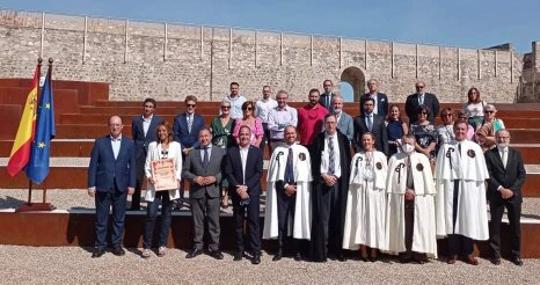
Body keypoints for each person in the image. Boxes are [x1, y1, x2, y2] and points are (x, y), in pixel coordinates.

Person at [434, 120, 490, 265]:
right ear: (453, 130)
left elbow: (480, 173)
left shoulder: (475, 148)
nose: (460, 131)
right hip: (451, 185)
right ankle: (452, 253)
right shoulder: (445, 147)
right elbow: (440, 171)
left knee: (467, 217)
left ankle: (468, 252)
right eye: (457, 129)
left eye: (463, 129)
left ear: (467, 131)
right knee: (451, 218)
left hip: (469, 187)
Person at [87, 115, 136, 258]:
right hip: (103, 185)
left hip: (121, 186)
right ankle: (100, 245)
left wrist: (132, 184)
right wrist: (91, 184)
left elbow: (132, 165)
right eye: (112, 125)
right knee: (101, 218)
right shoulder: (100, 142)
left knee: (118, 218)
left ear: (122, 127)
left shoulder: (129, 143)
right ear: (109, 126)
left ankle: (116, 245)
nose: (115, 127)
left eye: (117, 125)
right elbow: (93, 165)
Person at [385, 134, 437, 263]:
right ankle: (406, 252)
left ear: (415, 145)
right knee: (405, 225)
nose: (407, 145)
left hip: (420, 197)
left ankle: (419, 253)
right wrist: (404, 190)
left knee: (420, 224)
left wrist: (415, 190)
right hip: (401, 197)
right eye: (404, 142)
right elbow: (391, 180)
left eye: (409, 143)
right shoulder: (394, 158)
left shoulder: (422, 159)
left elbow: (427, 181)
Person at [263, 126, 312, 262]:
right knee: (281, 220)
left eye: (292, 133)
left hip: (298, 191)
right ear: (284, 135)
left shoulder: (303, 151)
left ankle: (296, 250)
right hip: (281, 190)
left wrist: (295, 187)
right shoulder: (278, 151)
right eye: (287, 133)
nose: (290, 135)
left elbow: (306, 173)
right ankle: (280, 249)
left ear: (296, 135)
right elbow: (274, 172)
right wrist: (285, 186)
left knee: (297, 219)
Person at [310, 114, 351, 262]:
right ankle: (322, 251)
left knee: (338, 217)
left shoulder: (343, 140)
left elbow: (347, 162)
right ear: (324, 124)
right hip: (322, 183)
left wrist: (337, 177)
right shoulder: (318, 139)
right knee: (323, 218)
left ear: (336, 124)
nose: (330, 125)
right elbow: (313, 162)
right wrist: (323, 176)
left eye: (333, 122)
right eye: (328, 123)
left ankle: (338, 250)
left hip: (339, 183)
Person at [182, 128, 226, 260]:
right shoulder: (192, 153)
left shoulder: (221, 152)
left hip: (213, 191)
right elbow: (185, 171)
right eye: (201, 136)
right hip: (197, 191)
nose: (204, 138)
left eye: (206, 136)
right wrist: (195, 178)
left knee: (214, 221)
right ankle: (198, 246)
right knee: (197, 221)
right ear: (198, 138)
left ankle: (214, 247)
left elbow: (226, 170)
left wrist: (216, 178)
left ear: (211, 136)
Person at [342, 133, 388, 261]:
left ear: (373, 141)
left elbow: (385, 174)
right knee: (361, 219)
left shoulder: (381, 156)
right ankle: (363, 250)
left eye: (368, 140)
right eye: (364, 140)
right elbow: (353, 175)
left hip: (375, 192)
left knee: (374, 219)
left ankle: (374, 249)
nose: (366, 142)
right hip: (361, 191)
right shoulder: (357, 156)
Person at [485, 129, 526, 266]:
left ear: (509, 138)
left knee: (515, 225)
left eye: (505, 137)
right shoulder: (489, 154)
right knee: (495, 225)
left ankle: (516, 255)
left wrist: (512, 190)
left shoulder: (517, 154)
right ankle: (495, 254)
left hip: (514, 196)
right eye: (499, 137)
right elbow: (488, 175)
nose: (502, 140)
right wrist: (501, 189)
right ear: (495, 138)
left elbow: (522, 175)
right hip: (496, 194)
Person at [141, 121, 182, 258]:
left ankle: (162, 245)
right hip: (155, 186)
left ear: (169, 131)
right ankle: (147, 246)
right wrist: (149, 177)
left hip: (169, 185)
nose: (161, 133)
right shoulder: (153, 146)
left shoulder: (176, 146)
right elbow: (147, 165)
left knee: (166, 215)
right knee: (151, 215)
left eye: (164, 131)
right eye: (159, 131)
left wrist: (177, 179)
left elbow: (178, 166)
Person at [224, 126, 264, 264]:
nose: (244, 137)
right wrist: (239, 188)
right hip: (237, 192)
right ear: (238, 136)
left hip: (252, 191)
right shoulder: (231, 152)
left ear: (251, 136)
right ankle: (239, 250)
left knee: (254, 222)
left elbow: (259, 172)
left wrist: (246, 187)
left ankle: (256, 251)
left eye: (247, 134)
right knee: (238, 222)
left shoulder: (257, 152)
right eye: (242, 134)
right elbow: (228, 172)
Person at [130, 98, 163, 211]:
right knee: (137, 179)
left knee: (154, 178)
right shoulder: (136, 120)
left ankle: (154, 204)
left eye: (150, 106)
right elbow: (134, 136)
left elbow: (160, 136)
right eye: (146, 106)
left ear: (154, 109)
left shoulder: (158, 121)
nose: (147, 108)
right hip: (139, 153)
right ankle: (135, 205)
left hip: (153, 152)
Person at [173, 96, 205, 204]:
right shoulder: (178, 118)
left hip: (195, 150)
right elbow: (175, 135)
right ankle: (179, 200)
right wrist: (183, 148)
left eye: (193, 105)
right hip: (181, 151)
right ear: (185, 105)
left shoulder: (200, 119)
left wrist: (192, 148)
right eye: (188, 105)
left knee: (194, 175)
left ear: (196, 106)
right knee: (180, 175)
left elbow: (201, 136)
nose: (190, 107)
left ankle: (193, 200)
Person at [210, 100, 235, 208]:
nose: (226, 109)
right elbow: (212, 134)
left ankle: (225, 195)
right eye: (224, 107)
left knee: (227, 172)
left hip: (228, 150)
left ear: (230, 108)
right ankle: (219, 194)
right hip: (216, 150)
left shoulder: (234, 122)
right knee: (217, 171)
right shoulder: (215, 120)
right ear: (221, 108)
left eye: (228, 107)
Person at [255, 85, 278, 153]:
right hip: (262, 125)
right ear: (262, 92)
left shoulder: (274, 103)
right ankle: (260, 161)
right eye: (264, 91)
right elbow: (256, 114)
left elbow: (276, 114)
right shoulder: (258, 103)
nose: (266, 93)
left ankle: (272, 160)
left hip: (271, 125)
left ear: (270, 92)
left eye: (267, 91)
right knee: (261, 144)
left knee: (271, 144)